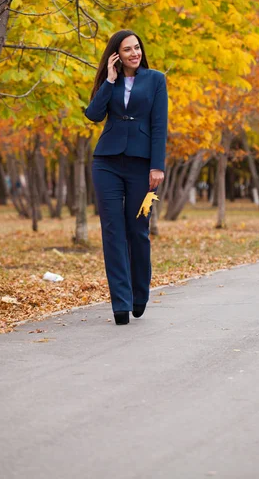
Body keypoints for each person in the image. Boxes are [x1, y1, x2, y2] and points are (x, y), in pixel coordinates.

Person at [85, 29, 168, 325]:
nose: (135, 53)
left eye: (137, 47)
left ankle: (139, 294)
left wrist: (157, 166)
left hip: (143, 166)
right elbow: (93, 115)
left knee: (138, 229)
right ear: (116, 54)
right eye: (128, 49)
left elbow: (160, 125)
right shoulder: (110, 81)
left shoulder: (156, 79)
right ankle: (120, 303)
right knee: (112, 231)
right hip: (106, 161)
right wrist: (108, 79)